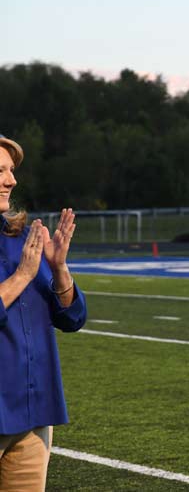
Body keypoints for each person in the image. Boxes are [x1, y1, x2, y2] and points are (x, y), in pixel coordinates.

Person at [0, 135, 88, 491]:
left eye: (10, 170)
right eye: (0, 171)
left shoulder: (23, 238)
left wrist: (60, 268)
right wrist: (22, 275)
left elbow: (72, 319)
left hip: (33, 413)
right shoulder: (23, 256)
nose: (11, 179)